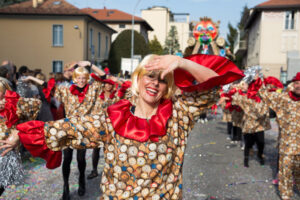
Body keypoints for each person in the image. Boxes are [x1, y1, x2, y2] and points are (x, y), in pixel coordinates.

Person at [0, 54, 244, 199]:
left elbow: (214, 83)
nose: (155, 84)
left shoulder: (178, 115)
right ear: (136, 79)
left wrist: (181, 62)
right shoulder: (113, 118)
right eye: (150, 76)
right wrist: (20, 135)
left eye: (162, 79)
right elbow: (70, 128)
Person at [257, 72, 300, 200]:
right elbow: (263, 94)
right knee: (285, 172)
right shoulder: (283, 98)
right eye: (297, 83)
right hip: (286, 145)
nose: (299, 86)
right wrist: (260, 80)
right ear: (292, 85)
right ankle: (285, 195)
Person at [0, 80, 41, 196]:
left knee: (3, 183)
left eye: (3, 94)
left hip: (7, 152)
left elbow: (37, 103)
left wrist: (13, 102)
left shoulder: (15, 105)